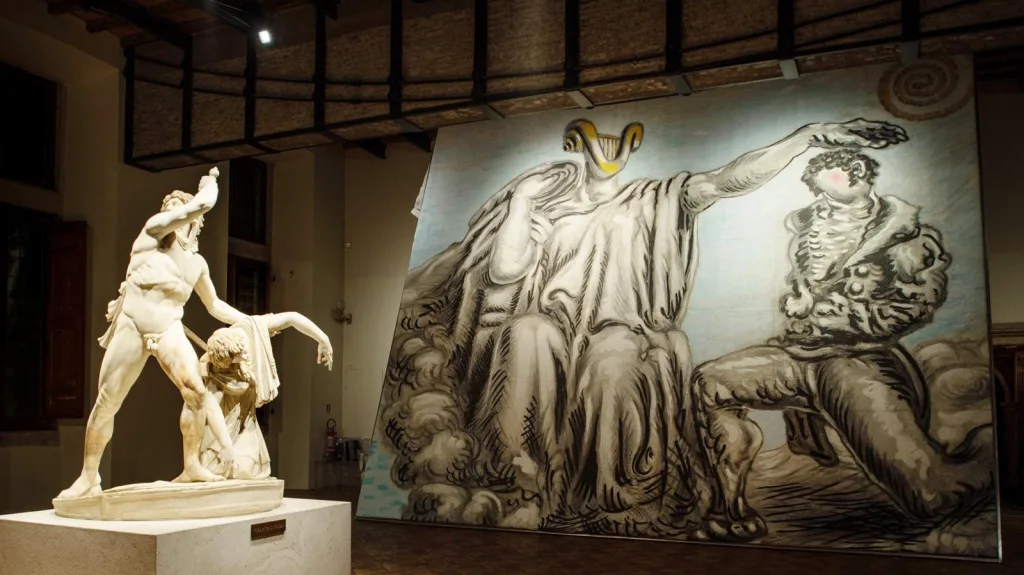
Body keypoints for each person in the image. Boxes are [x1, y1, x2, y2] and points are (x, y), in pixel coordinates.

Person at [380, 118, 909, 535]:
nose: (608, 151)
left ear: (632, 148)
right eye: (595, 142)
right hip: (554, 326)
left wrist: (805, 137)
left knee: (613, 358)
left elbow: (729, 179)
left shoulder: (657, 198)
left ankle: (616, 496)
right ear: (577, 148)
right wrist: (522, 203)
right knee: (527, 334)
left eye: (620, 143)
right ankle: (519, 479)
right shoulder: (551, 206)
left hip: (621, 329)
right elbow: (502, 273)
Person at [690, 149, 994, 541]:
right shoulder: (809, 228)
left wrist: (841, 317)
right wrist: (801, 304)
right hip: (797, 354)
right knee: (710, 381)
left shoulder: (909, 239)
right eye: (819, 193)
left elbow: (915, 308)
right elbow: (804, 292)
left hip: (858, 361)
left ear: (862, 177)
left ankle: (987, 451)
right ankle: (729, 509)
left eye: (832, 192)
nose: (822, 202)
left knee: (931, 496)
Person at [58, 168, 248, 499]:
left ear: (192, 224)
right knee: (107, 400)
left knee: (196, 392)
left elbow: (215, 305)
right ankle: (89, 476)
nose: (170, 214)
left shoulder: (196, 264)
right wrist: (209, 185)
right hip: (133, 324)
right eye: (168, 209)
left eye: (176, 209)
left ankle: (192, 465)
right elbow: (201, 204)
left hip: (168, 327)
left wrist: (251, 322)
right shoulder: (153, 234)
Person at [198, 312, 333, 479]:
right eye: (235, 361)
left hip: (245, 420)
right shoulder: (217, 365)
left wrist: (323, 339)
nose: (244, 358)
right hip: (225, 424)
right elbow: (212, 410)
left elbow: (292, 318)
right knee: (221, 469)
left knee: (244, 470)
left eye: (241, 353)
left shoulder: (252, 328)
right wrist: (225, 445)